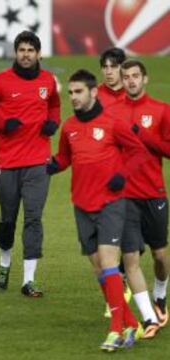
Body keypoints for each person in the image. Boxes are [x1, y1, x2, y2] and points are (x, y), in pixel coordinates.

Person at [47, 69, 148, 351]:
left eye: (78, 92)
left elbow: (139, 152)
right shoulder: (68, 127)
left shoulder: (113, 123)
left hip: (110, 204)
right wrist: (53, 166)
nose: (73, 97)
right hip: (81, 204)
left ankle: (116, 330)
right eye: (70, 93)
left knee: (107, 262)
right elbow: (66, 157)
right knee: (99, 269)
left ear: (93, 92)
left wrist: (123, 175)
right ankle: (132, 324)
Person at [0, 31, 61, 297]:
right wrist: (1, 124)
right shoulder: (0, 82)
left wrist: (53, 122)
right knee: (8, 219)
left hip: (38, 162)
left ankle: (29, 280)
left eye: (30, 50)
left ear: (39, 54)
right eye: (21, 50)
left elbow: (54, 104)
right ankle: (4, 263)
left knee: (33, 218)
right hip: (8, 163)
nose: (26, 54)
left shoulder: (48, 80)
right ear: (15, 53)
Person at [109, 59, 170, 330]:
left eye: (135, 76)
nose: (131, 80)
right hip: (124, 196)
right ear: (122, 80)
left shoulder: (161, 110)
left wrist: (144, 136)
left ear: (144, 79)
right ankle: (147, 317)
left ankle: (160, 293)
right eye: (127, 76)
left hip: (153, 193)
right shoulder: (112, 112)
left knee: (160, 255)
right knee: (130, 256)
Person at [97, 47, 132, 317]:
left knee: (130, 234)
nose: (109, 71)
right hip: (103, 175)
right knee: (106, 236)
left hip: (131, 174)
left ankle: (123, 279)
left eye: (113, 66)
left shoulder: (132, 96)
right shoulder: (95, 95)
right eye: (105, 66)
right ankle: (118, 285)